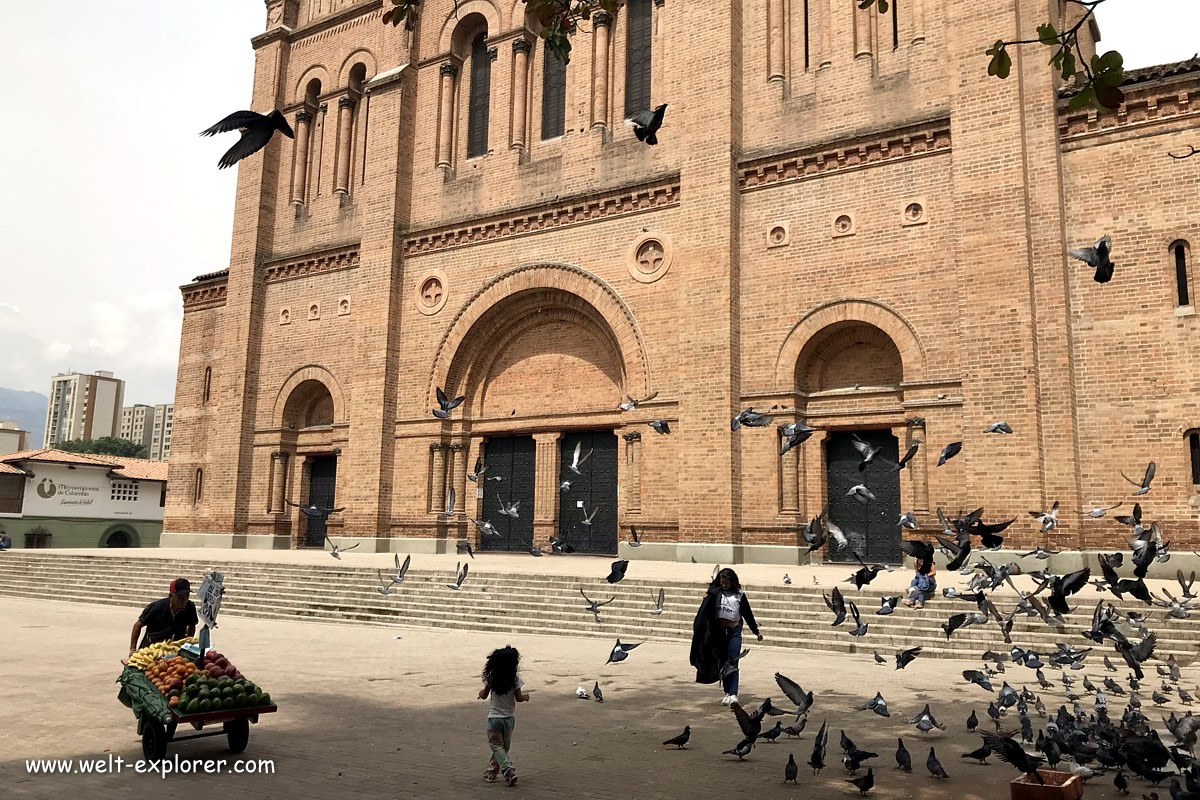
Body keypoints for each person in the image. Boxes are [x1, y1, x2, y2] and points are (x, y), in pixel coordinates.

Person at [689, 567, 763, 706]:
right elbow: (705, 612)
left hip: (734, 632)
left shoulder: (740, 595)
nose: (724, 585)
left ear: (733, 582)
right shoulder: (715, 594)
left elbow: (747, 614)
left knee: (733, 662)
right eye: (722, 582)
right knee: (723, 663)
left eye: (726, 583)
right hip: (720, 634)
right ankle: (727, 693)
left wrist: (756, 631)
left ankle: (733, 693)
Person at [477, 645, 529, 786]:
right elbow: (518, 698)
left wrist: (480, 694)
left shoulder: (491, 678)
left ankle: (507, 769)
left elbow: (484, 694)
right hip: (509, 720)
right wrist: (525, 697)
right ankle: (492, 772)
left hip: (494, 719)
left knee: (496, 746)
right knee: (502, 748)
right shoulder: (515, 680)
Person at [130, 579, 198, 654]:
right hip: (151, 647)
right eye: (180, 597)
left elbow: (192, 625)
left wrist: (188, 641)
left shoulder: (190, 607)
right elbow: (138, 625)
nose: (184, 600)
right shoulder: (157, 607)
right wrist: (132, 649)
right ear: (171, 596)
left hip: (174, 648)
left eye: (187, 596)